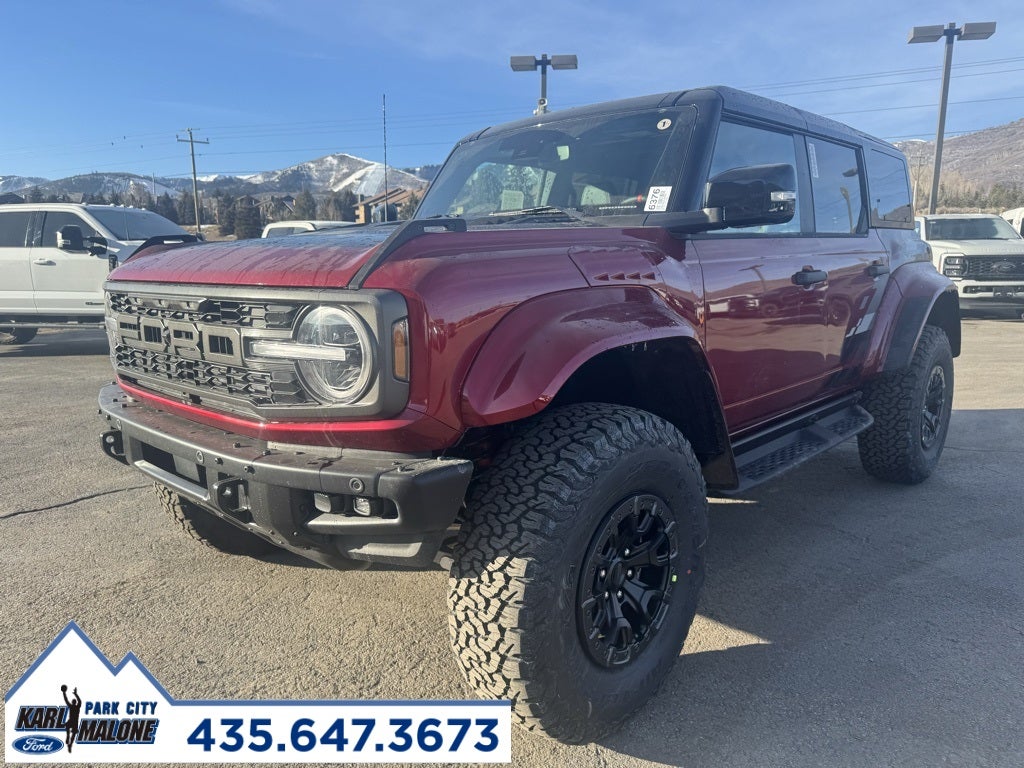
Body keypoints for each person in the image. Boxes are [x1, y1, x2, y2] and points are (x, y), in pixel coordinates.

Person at [61, 684, 81, 753]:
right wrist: (75, 694)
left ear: (73, 702)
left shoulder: (73, 706)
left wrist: (64, 693)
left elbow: (66, 700)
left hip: (73, 721)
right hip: (74, 722)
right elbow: (79, 701)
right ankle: (69, 740)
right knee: (72, 733)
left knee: (68, 727)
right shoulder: (76, 706)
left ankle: (68, 739)